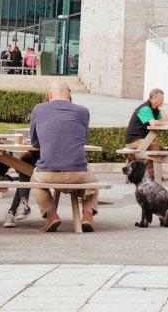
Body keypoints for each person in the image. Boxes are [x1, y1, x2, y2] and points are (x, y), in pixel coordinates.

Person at [29, 78, 99, 232]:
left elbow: (34, 141)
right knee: (92, 180)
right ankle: (88, 215)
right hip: (77, 173)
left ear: (50, 94)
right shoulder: (83, 111)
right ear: (69, 95)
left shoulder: (38, 109)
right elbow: (82, 138)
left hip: (48, 173)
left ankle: (50, 214)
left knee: (34, 180)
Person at [124, 88, 168, 176]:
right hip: (133, 141)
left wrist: (161, 109)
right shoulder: (145, 109)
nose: (163, 100)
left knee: (161, 149)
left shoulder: (155, 110)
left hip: (142, 140)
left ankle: (147, 170)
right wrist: (166, 123)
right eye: (161, 99)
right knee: (156, 148)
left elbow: (166, 120)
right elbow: (153, 123)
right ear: (154, 98)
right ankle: (151, 174)